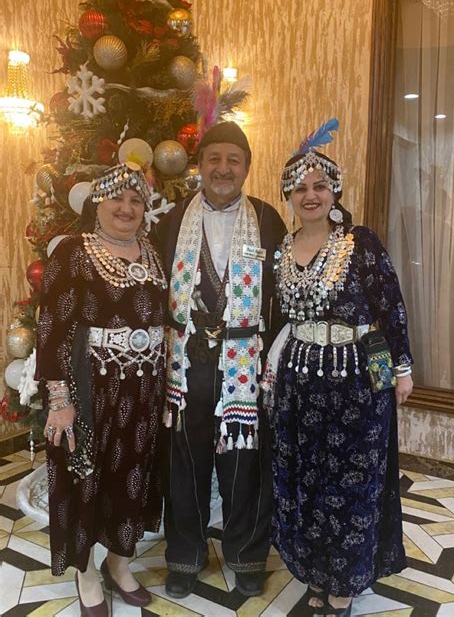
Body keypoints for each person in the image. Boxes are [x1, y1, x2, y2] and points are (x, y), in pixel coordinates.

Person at [262, 120, 413, 616]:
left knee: (351, 485)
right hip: (299, 380)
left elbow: (388, 311)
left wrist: (399, 370)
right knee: (305, 480)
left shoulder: (360, 243)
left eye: (319, 186)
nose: (310, 195)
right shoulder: (281, 252)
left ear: (335, 191)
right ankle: (316, 570)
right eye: (300, 187)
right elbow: (277, 319)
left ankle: (343, 585)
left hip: (355, 382)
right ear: (287, 195)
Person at [153, 121, 286, 599]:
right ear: (200, 165)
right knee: (183, 465)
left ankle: (246, 554)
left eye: (234, 160)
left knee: (243, 464)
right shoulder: (170, 223)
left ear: (247, 168)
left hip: (244, 365)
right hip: (185, 364)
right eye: (214, 159)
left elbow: (284, 298)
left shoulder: (269, 221)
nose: (223, 168)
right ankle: (184, 557)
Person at [36, 162, 167, 616]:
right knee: (86, 480)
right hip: (92, 390)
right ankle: (86, 573)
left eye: (136, 200)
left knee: (131, 480)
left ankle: (119, 561)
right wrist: (59, 400)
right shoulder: (74, 251)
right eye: (117, 198)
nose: (126, 208)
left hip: (145, 392)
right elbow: (51, 327)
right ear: (98, 203)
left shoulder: (151, 251)